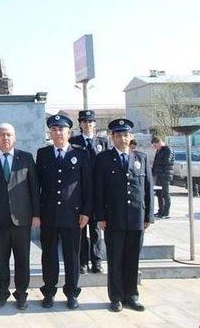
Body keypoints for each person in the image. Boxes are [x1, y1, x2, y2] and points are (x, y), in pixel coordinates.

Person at [95, 118, 153, 312]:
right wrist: (100, 216)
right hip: (114, 218)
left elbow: (148, 188)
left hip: (136, 218)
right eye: (118, 135)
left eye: (126, 134)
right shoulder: (103, 159)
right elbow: (99, 190)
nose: (122, 138)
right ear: (112, 137)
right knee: (115, 259)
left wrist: (149, 216)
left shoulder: (141, 158)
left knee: (133, 258)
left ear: (131, 136)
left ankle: (132, 295)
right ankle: (116, 297)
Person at [0, 123, 39, 310]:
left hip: (22, 219)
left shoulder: (26, 158)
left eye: (9, 135)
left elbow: (34, 189)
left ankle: (21, 295)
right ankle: (2, 294)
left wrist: (36, 215)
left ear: (15, 138)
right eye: (1, 135)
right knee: (0, 260)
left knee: (22, 260)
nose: (5, 138)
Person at [37, 115, 92, 310]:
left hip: (72, 215)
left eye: (62, 129)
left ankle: (72, 293)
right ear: (50, 133)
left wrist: (86, 212)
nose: (58, 133)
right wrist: (37, 212)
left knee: (72, 256)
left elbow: (87, 186)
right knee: (49, 256)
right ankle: (49, 292)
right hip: (49, 215)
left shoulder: (81, 154)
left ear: (69, 132)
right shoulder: (43, 154)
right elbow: (37, 187)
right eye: (54, 129)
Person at [69, 109, 108, 274]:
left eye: (90, 121)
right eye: (84, 121)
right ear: (80, 124)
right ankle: (82, 262)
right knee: (80, 230)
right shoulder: (73, 141)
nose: (87, 124)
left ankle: (97, 262)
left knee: (96, 230)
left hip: (97, 190)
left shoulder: (103, 142)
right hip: (80, 191)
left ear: (95, 123)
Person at [152, 136, 174, 219]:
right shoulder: (159, 150)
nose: (155, 147)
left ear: (159, 142)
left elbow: (166, 161)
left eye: (155, 145)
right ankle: (160, 211)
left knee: (165, 194)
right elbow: (155, 162)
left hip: (165, 175)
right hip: (158, 175)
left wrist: (156, 164)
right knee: (159, 194)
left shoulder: (168, 149)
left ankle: (166, 212)